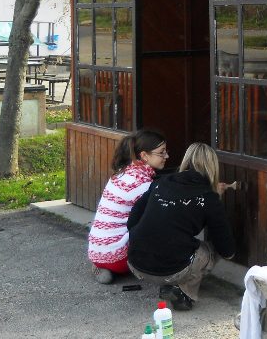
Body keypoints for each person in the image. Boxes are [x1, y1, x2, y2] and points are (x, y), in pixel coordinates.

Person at [127, 142, 235, 311]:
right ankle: (184, 292)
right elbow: (226, 248)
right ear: (213, 166)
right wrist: (215, 201)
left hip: (135, 264)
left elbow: (132, 220)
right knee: (210, 251)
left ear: (186, 160)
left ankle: (167, 279)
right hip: (171, 270)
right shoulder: (209, 198)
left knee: (174, 242)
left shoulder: (160, 182)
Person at [87, 129, 169, 285]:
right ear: (144, 155)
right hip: (120, 258)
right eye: (161, 153)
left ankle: (101, 266)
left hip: (96, 251)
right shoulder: (142, 184)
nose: (167, 156)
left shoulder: (122, 174)